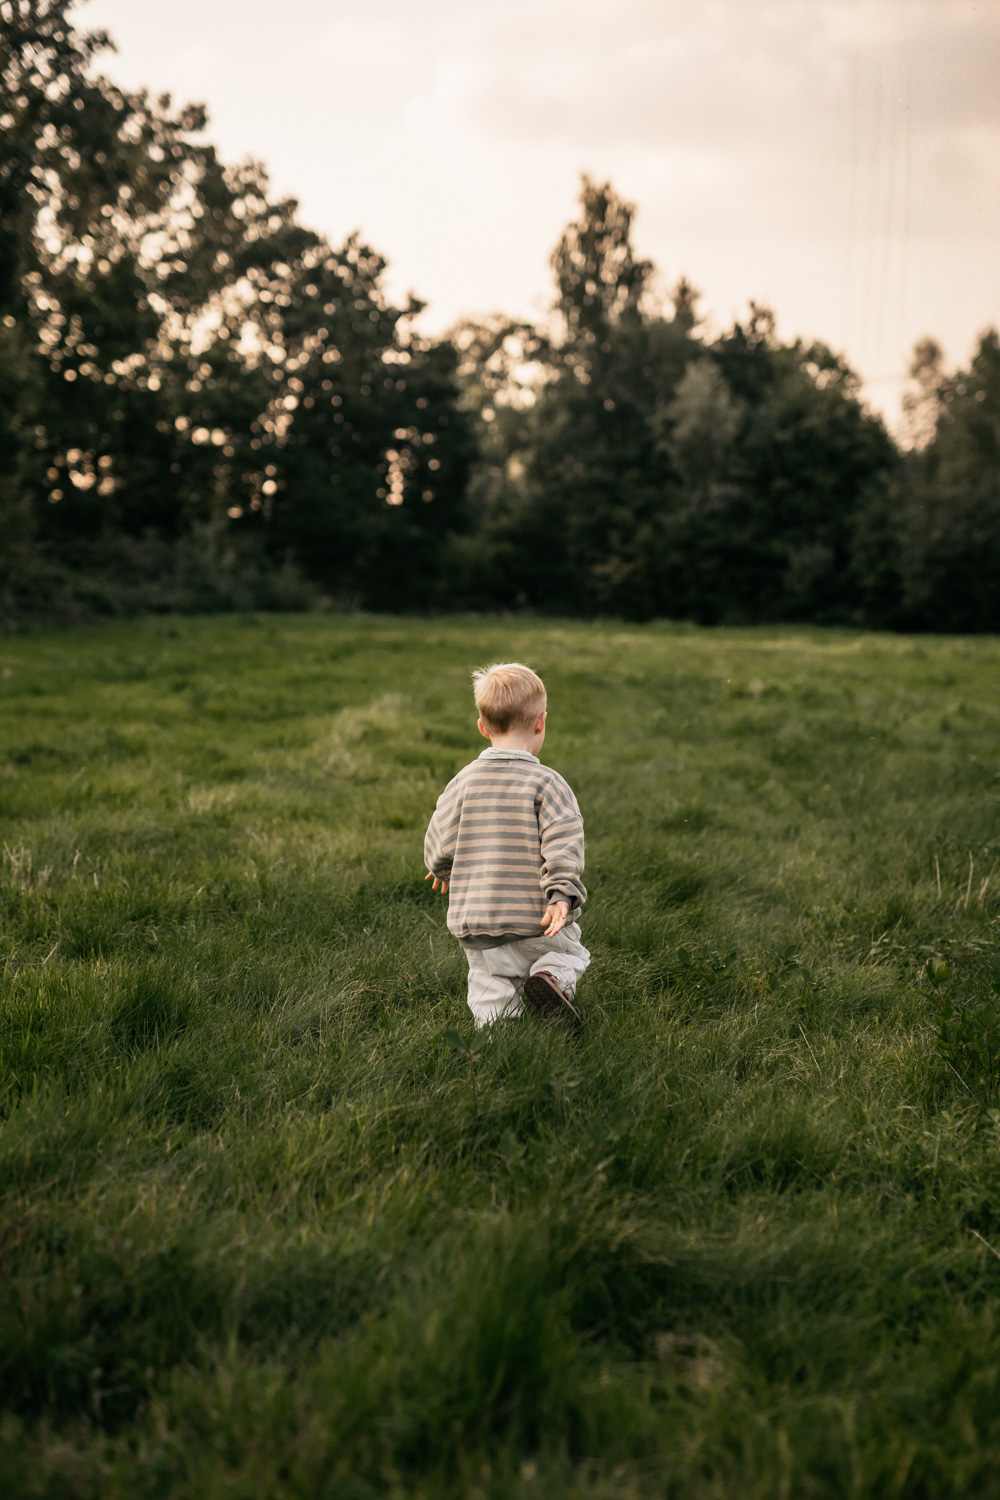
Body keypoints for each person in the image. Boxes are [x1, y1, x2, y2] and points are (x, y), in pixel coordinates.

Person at [424, 662, 589, 1029]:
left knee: (489, 988)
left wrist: (440, 866)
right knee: (569, 953)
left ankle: (502, 1042)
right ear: (540, 722)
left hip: (479, 924)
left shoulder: (463, 782)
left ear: (482, 727)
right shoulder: (548, 783)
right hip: (537, 921)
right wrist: (561, 893)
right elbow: (564, 841)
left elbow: (439, 831)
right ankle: (550, 977)